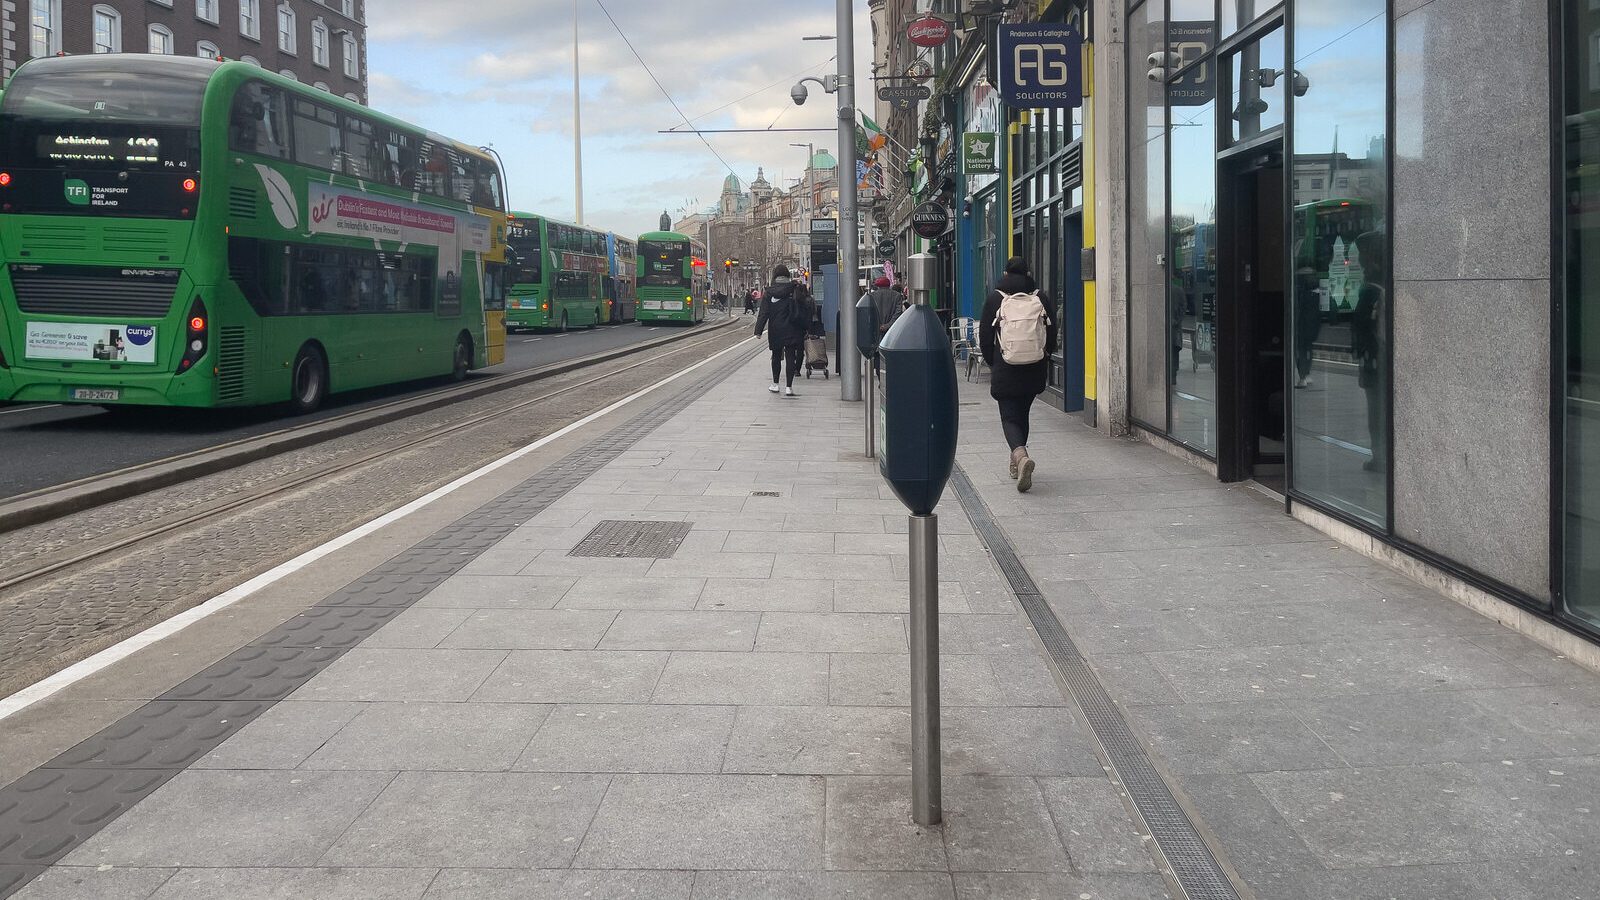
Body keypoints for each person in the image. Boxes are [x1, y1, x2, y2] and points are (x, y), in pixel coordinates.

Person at [979, 256, 1057, 492]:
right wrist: (1044, 356)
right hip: (1034, 367)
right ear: (1028, 272)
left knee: (1009, 417)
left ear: (1005, 273)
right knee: (1022, 413)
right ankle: (1016, 462)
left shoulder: (996, 297)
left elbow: (984, 337)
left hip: (1007, 366)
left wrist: (994, 362)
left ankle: (1021, 456)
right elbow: (1052, 333)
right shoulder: (1039, 297)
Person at [754, 264, 815, 397]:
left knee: (776, 356)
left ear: (775, 276)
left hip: (776, 328)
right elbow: (804, 306)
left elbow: (763, 313)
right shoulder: (794, 288)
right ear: (787, 275)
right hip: (792, 328)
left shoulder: (769, 292)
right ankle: (789, 387)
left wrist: (758, 330)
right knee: (790, 356)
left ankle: (775, 384)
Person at [864, 275, 902, 344]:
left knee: (876, 349)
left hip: (875, 330)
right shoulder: (897, 295)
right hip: (891, 329)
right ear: (889, 285)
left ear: (877, 285)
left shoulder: (872, 296)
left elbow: (869, 313)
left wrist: (877, 325)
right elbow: (898, 313)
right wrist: (887, 325)